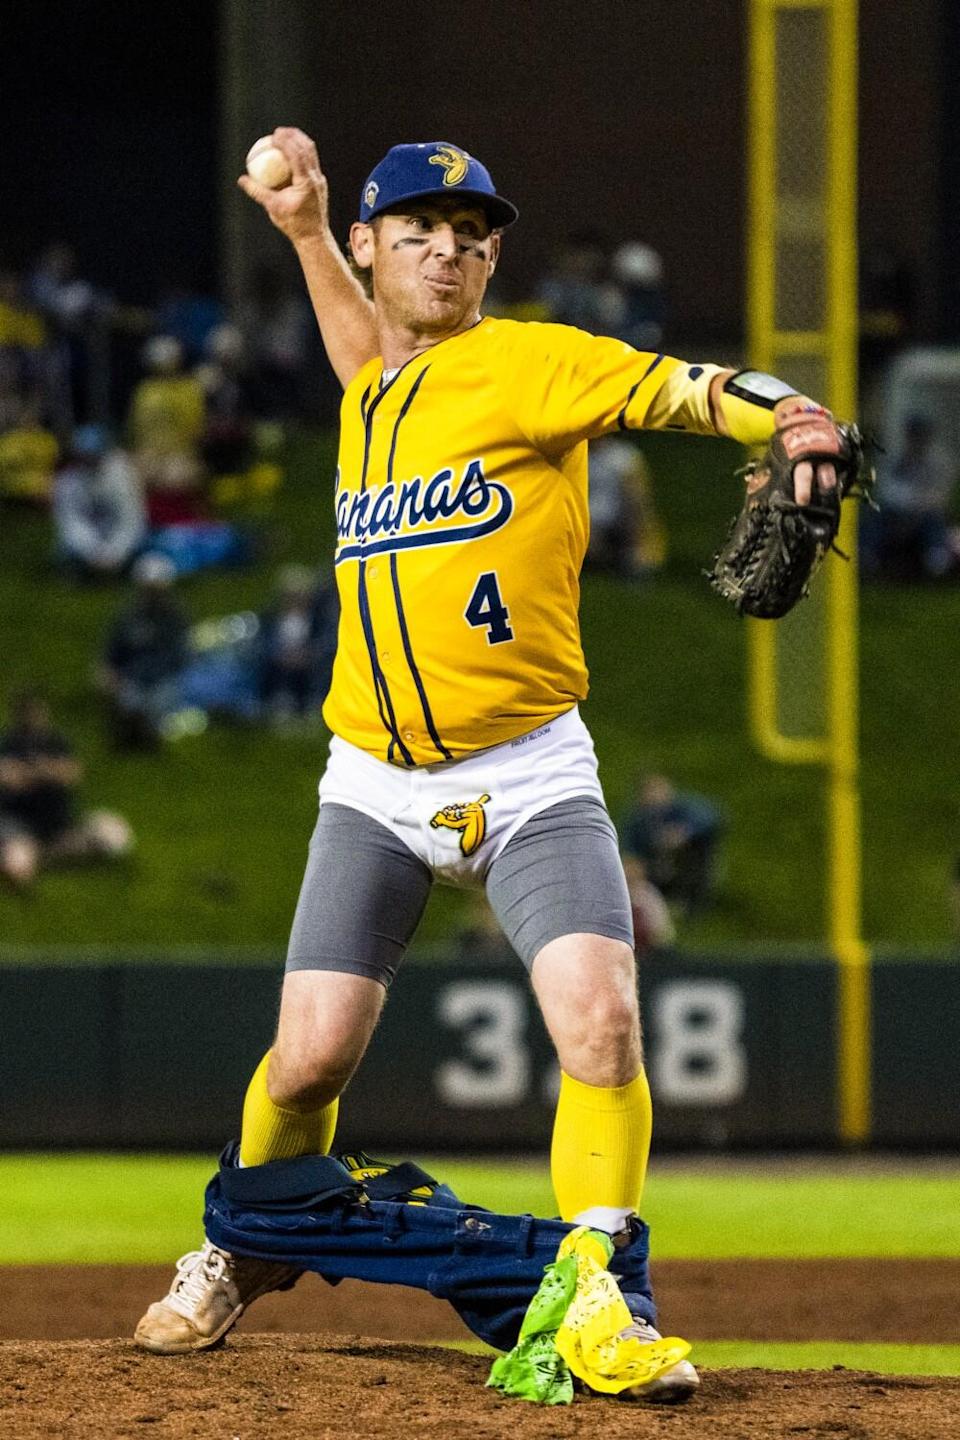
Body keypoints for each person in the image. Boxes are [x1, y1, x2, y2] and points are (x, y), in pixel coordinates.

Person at [135, 130, 842, 1398]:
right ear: (372, 249)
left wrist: (780, 410)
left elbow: (671, 388)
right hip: (372, 780)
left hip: (526, 775)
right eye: (419, 232)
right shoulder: (373, 393)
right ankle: (238, 1248)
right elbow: (367, 358)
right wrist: (299, 227)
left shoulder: (529, 363)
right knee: (309, 1058)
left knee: (604, 1020)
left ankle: (604, 1299)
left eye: (471, 235)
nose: (450, 251)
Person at [0, 690, 131, 888]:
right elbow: (10, 778)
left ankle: (42, 858)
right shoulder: (9, 744)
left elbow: (71, 774)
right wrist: (46, 772)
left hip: (59, 825)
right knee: (18, 857)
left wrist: (35, 771)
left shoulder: (56, 742)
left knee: (112, 832)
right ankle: (29, 867)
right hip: (20, 825)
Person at [99, 552, 191, 747]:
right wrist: (110, 673)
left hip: (165, 679)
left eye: (156, 589)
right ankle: (130, 735)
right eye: (148, 589)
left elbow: (181, 657)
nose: (152, 594)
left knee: (157, 709)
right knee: (130, 704)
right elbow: (113, 653)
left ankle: (148, 735)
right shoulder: (128, 617)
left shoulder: (176, 619)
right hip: (133, 678)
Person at [52, 424, 146, 580]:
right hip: (89, 545)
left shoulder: (123, 476)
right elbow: (70, 522)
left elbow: (132, 519)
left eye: (94, 455)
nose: (90, 460)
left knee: (143, 551)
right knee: (65, 552)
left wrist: (115, 552)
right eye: (84, 455)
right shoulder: (67, 482)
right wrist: (91, 551)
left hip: (119, 540)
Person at [622, 773, 723, 916]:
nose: (655, 797)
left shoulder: (683, 808)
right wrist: (632, 862)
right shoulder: (639, 819)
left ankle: (690, 905)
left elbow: (710, 818)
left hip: (687, 864)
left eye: (658, 790)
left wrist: (683, 832)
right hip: (654, 865)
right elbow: (630, 846)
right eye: (649, 792)